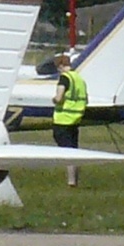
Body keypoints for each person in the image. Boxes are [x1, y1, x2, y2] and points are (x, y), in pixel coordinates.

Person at [51, 52, 87, 186]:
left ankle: (71, 181)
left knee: (67, 151)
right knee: (74, 150)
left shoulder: (65, 78)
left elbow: (59, 97)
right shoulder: (79, 79)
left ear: (60, 66)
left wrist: (54, 100)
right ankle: (75, 180)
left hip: (63, 119)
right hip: (75, 119)